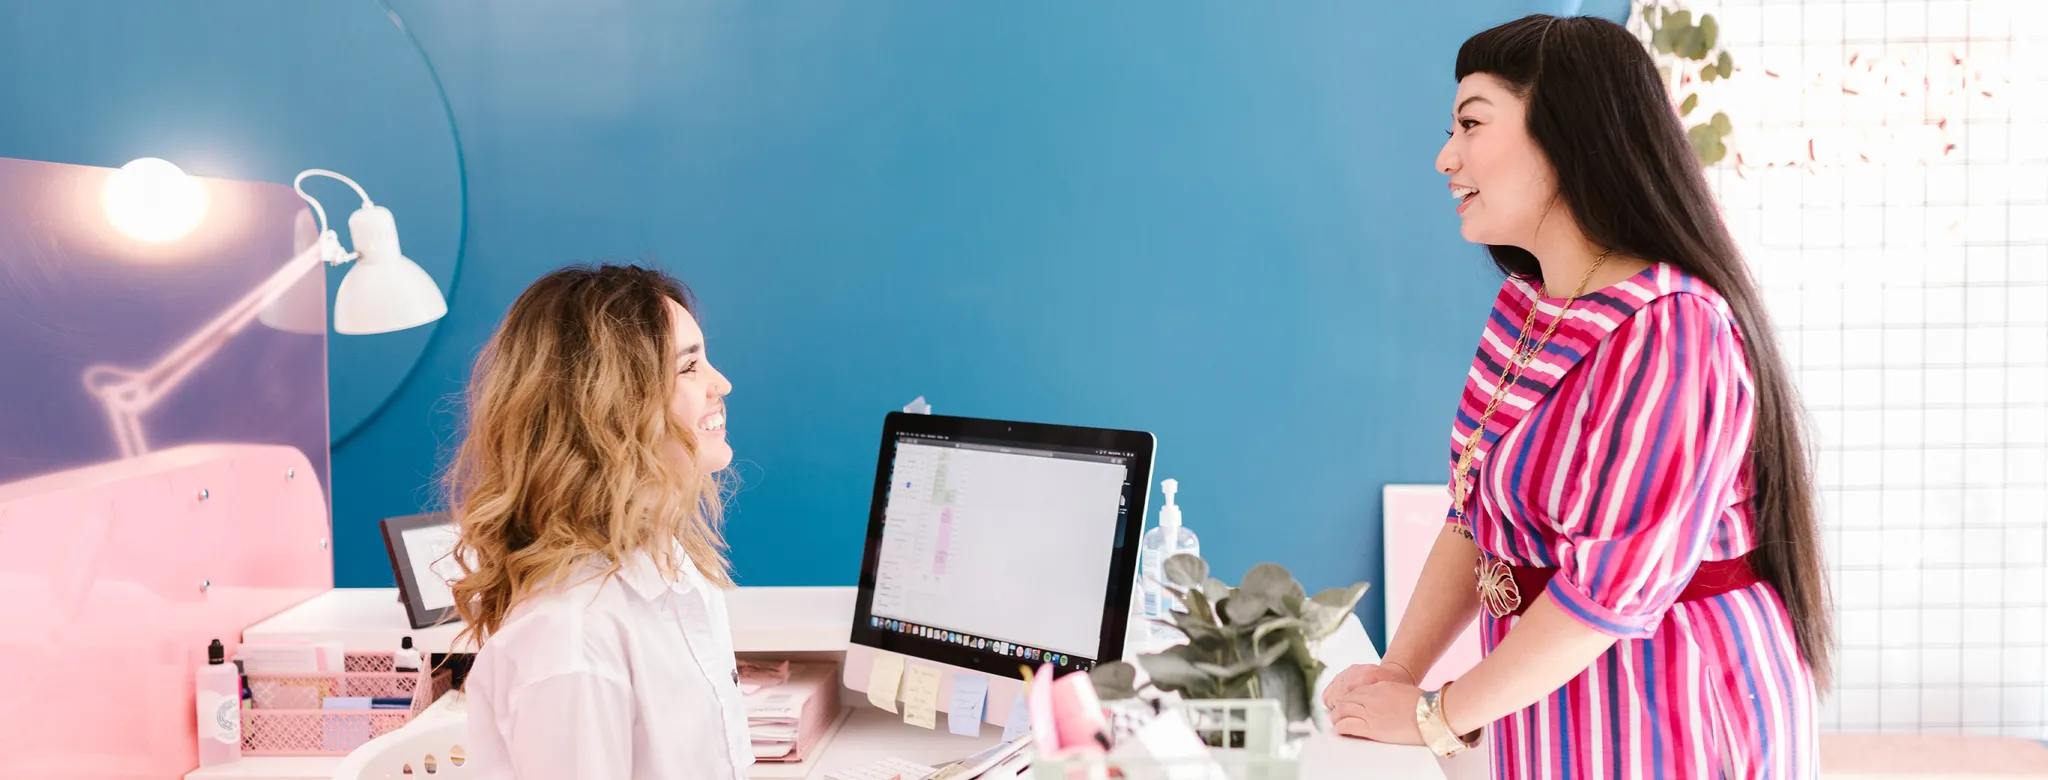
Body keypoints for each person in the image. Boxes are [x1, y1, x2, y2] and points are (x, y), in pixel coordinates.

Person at [1322, 15, 1831, 779]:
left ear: (1568, 133)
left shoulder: (1674, 330)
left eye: (1471, 124)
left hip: (1673, 709)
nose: (1445, 157)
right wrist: (1399, 672)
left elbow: (1607, 595)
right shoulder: (1530, 304)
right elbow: (1476, 510)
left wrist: (1434, 716)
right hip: (1551, 696)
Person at [447, 264, 749, 779]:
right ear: (610, 405)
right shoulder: (572, 640)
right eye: (689, 367)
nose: (721, 383)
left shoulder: (675, 566)